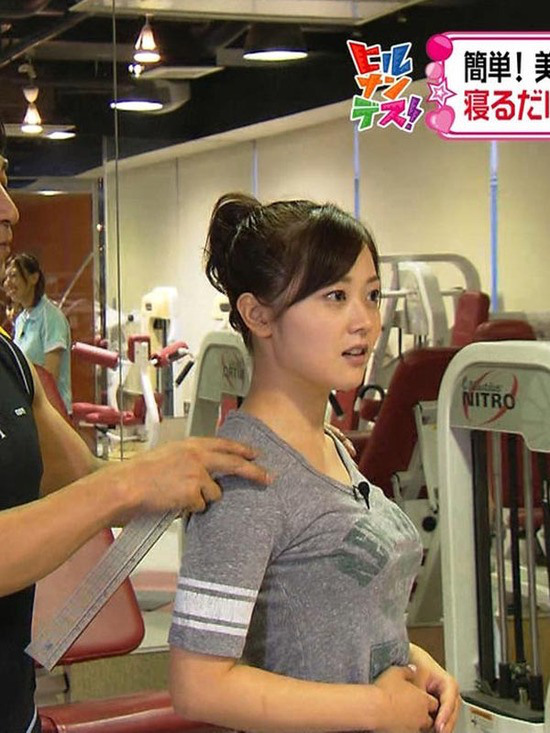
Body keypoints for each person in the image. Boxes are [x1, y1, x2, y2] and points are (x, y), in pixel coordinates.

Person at [0, 124, 272, 733]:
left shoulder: (8, 361)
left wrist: (199, 466)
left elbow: (84, 477)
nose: (10, 209)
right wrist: (130, 484)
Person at [169, 193, 460, 733]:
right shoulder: (248, 477)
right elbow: (197, 686)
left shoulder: (331, 447)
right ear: (258, 315)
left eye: (371, 295)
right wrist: (377, 709)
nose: (365, 321)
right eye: (335, 296)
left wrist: (412, 663)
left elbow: (332, 618)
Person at [4, 252, 73, 412]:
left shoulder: (51, 317)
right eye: (6, 278)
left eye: (14, 276)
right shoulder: (21, 319)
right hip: (30, 409)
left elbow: (49, 377)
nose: (8, 283)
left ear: (34, 278)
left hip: (53, 412)